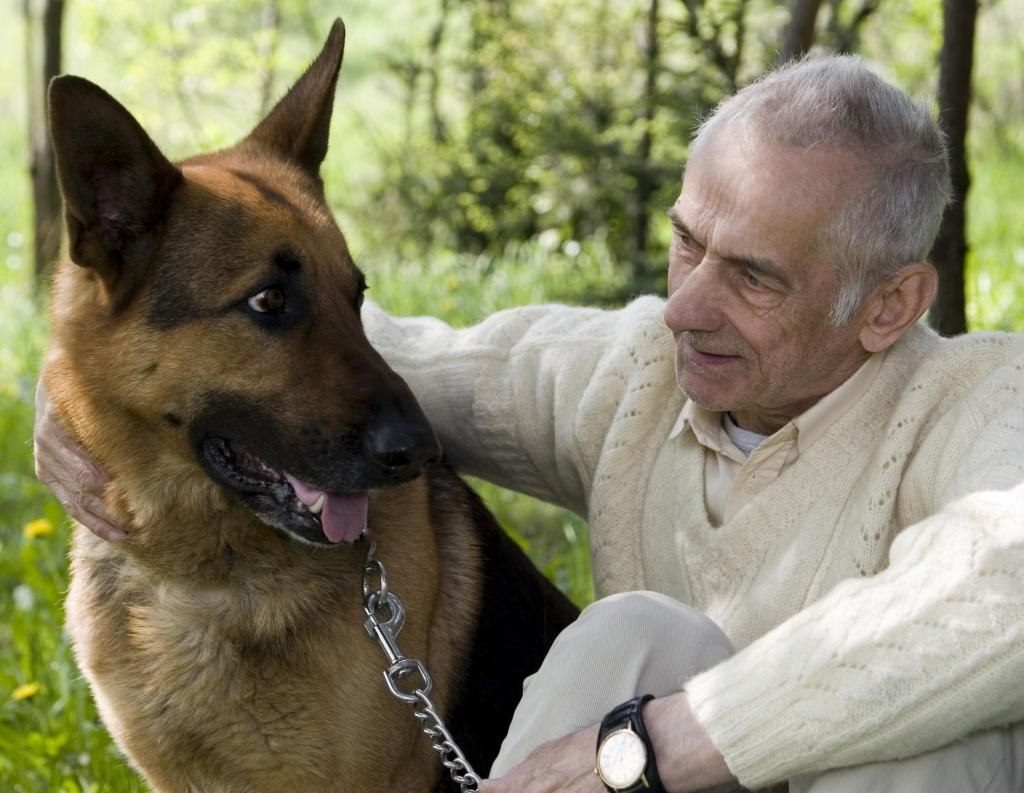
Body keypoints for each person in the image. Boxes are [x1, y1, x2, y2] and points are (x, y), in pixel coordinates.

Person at [35, 55, 1024, 792]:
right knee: (636, 630)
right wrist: (78, 381)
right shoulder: (644, 374)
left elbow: (1005, 590)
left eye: (754, 276)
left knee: (935, 738)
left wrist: (663, 741)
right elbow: (381, 360)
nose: (685, 307)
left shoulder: (981, 402)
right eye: (687, 244)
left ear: (888, 306)